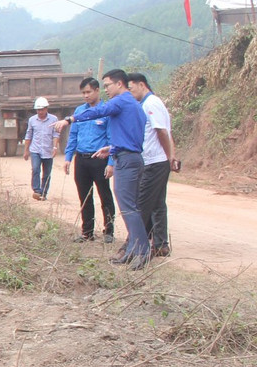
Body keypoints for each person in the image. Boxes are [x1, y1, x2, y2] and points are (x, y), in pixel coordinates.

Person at [54, 69, 151, 269]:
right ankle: (133, 249)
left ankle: (142, 251)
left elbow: (98, 111)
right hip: (127, 156)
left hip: (127, 161)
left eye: (107, 85)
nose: (106, 89)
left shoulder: (122, 100)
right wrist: (113, 148)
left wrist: (71, 119)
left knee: (128, 208)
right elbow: (132, 135)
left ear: (119, 84)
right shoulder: (132, 105)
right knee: (129, 206)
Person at [127, 72, 179, 258]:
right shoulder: (146, 104)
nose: (130, 93)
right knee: (157, 203)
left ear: (142, 85)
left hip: (155, 162)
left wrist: (169, 156)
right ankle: (160, 244)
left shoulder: (151, 103)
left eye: (131, 89)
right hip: (154, 160)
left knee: (142, 203)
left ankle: (134, 245)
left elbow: (162, 132)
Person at [63, 78, 115, 243]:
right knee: (85, 196)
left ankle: (109, 231)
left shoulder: (106, 110)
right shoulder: (80, 111)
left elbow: (111, 138)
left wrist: (111, 163)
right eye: (83, 93)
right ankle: (87, 232)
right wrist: (68, 158)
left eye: (88, 92)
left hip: (99, 159)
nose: (86, 95)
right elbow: (73, 136)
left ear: (97, 90)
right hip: (82, 159)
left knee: (105, 195)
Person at [22, 96, 59, 201]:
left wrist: (55, 147)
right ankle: (37, 190)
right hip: (35, 150)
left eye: (42, 109)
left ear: (46, 108)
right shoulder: (32, 120)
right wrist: (26, 151)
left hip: (48, 150)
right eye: (38, 110)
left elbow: (56, 134)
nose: (40, 112)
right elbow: (28, 136)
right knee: (35, 169)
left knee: (47, 173)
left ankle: (44, 192)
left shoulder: (53, 119)